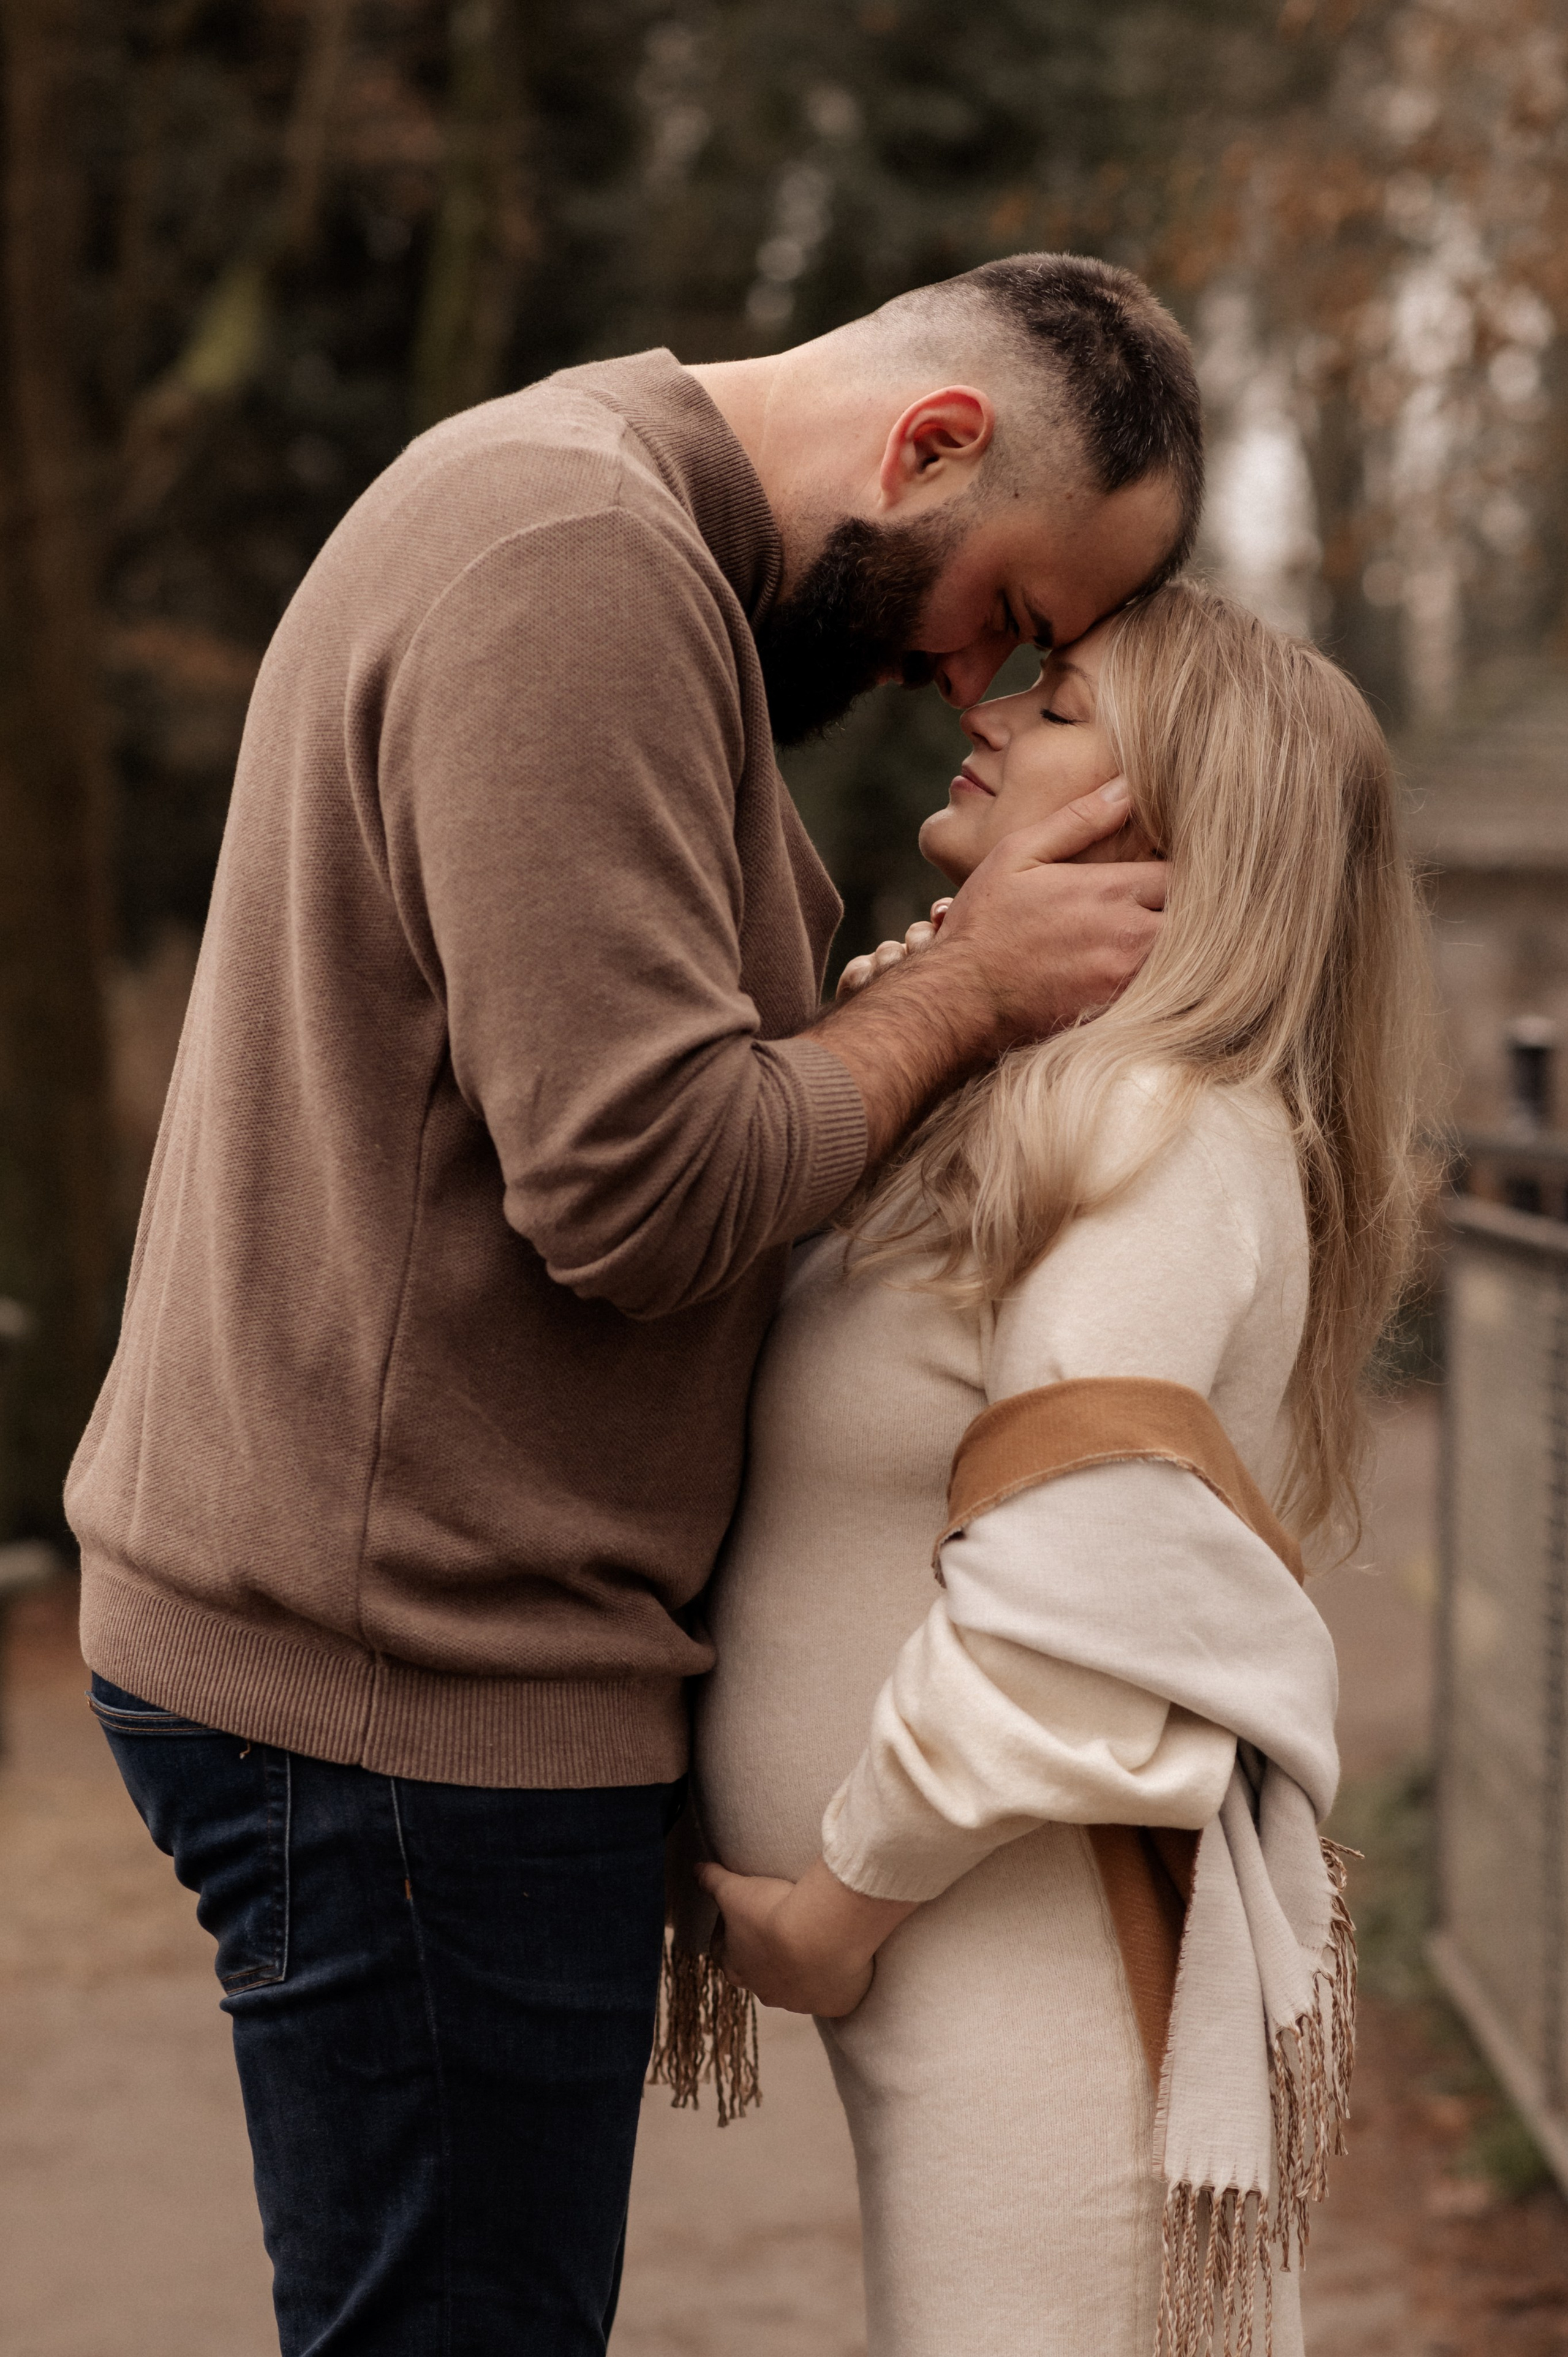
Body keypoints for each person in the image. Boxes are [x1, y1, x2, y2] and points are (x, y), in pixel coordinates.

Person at [65, 253, 1203, 2355]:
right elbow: (645, 1185)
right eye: (1017, 616)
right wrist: (973, 989)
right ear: (932, 445)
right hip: (399, 1677)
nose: (984, 688)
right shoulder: (578, 567)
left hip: (404, 1653)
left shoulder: (603, 531)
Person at [691, 579, 1432, 2357]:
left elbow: (1076, 1587)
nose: (1003, 712)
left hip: (1039, 1981)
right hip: (972, 1974)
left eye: (1071, 705)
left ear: (1171, 822)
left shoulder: (1156, 1124)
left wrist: (833, 1910)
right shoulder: (1035, 1094)